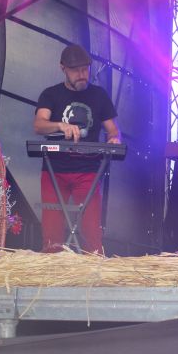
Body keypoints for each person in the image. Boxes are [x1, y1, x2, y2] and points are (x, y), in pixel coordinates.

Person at [33, 44, 121, 253]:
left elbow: (113, 131)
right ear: (63, 68)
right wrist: (60, 125)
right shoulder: (51, 94)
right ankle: (52, 265)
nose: (82, 75)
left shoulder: (99, 95)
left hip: (88, 171)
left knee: (91, 230)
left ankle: (93, 265)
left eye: (85, 69)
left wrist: (114, 139)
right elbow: (39, 125)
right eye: (75, 70)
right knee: (52, 231)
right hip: (54, 170)